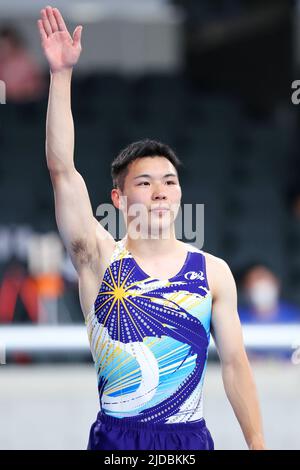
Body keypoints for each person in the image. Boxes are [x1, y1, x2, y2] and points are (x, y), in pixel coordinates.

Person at [37, 5, 266, 450]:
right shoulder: (98, 259)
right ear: (119, 200)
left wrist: (257, 443)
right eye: (145, 182)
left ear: (180, 195)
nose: (160, 191)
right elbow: (62, 170)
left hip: (189, 441)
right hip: (117, 442)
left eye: (170, 182)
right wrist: (60, 75)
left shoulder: (213, 272)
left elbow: (236, 364)